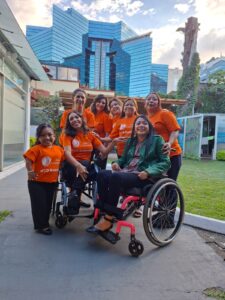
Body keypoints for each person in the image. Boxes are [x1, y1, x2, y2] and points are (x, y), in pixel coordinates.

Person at [86, 115, 170, 237]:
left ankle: (109, 219)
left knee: (116, 177)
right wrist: (116, 163)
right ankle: (104, 212)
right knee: (102, 174)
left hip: (143, 176)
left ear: (149, 127)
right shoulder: (131, 141)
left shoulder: (157, 140)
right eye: (138, 123)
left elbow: (165, 162)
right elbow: (123, 159)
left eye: (144, 123)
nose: (141, 125)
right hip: (127, 172)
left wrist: (148, 172)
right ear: (135, 127)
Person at [62, 111, 116, 214]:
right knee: (86, 165)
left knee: (98, 171)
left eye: (76, 117)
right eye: (71, 119)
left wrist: (113, 142)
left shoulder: (90, 135)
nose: (74, 120)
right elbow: (67, 154)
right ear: (69, 123)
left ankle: (74, 193)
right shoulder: (67, 135)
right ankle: (75, 193)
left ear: (81, 119)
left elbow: (104, 152)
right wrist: (78, 165)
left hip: (85, 169)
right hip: (71, 166)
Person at [23, 124, 64, 235]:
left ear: (54, 136)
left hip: (51, 182)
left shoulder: (58, 149)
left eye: (49, 134)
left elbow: (63, 160)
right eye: (43, 135)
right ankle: (41, 226)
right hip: (36, 182)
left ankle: (44, 222)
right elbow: (28, 160)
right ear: (39, 138)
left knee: (47, 204)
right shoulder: (36, 149)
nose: (46, 137)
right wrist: (30, 171)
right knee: (39, 205)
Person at [145, 92, 182, 181]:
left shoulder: (165, 113)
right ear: (145, 103)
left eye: (154, 99)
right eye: (149, 99)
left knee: (169, 184)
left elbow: (175, 131)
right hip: (156, 156)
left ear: (158, 103)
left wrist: (169, 143)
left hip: (172, 155)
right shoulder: (146, 118)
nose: (151, 101)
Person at [90, 94, 112, 169]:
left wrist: (103, 150)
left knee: (99, 166)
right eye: (99, 102)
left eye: (103, 103)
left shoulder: (106, 116)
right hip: (88, 144)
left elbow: (107, 134)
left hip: (99, 145)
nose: (101, 104)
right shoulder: (89, 113)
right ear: (95, 102)